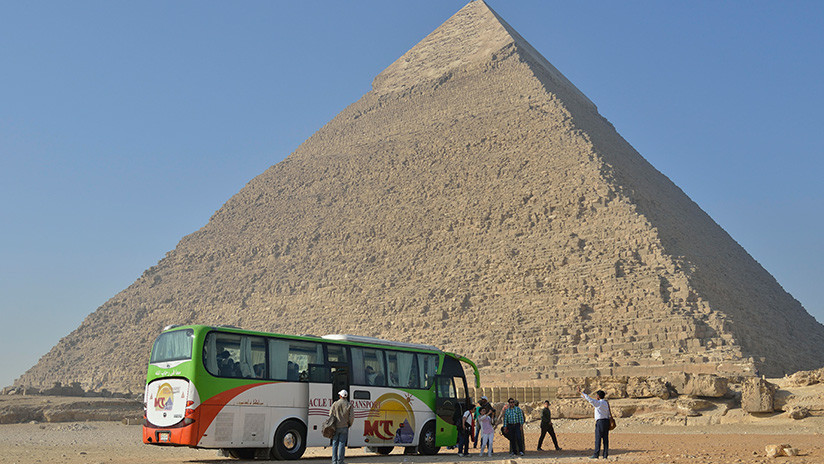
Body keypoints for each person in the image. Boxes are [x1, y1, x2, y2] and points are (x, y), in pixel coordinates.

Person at [578, 386, 611, 459]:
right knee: (605, 439)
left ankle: (596, 454)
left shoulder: (598, 403)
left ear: (598, 396)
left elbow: (589, 399)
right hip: (606, 422)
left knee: (598, 439)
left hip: (600, 422)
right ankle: (605, 455)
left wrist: (581, 392)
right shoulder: (606, 403)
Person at [330, 390, 354, 464]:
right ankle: (340, 461)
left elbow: (330, 414)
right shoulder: (349, 405)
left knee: (334, 444)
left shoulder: (335, 404)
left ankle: (334, 461)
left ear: (340, 396)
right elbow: (351, 417)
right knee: (342, 444)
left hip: (335, 427)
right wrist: (349, 424)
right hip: (344, 427)